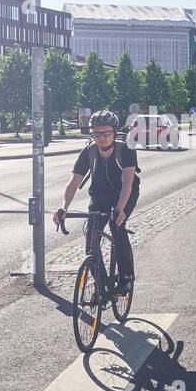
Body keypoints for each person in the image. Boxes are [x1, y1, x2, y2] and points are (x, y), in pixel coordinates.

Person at [53, 110, 139, 296]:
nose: (101, 138)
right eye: (97, 134)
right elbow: (74, 182)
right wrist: (64, 207)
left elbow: (127, 183)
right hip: (100, 193)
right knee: (91, 240)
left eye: (106, 134)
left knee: (117, 227)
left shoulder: (126, 149)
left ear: (114, 133)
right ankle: (102, 285)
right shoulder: (89, 151)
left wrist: (120, 209)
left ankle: (126, 277)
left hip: (124, 193)